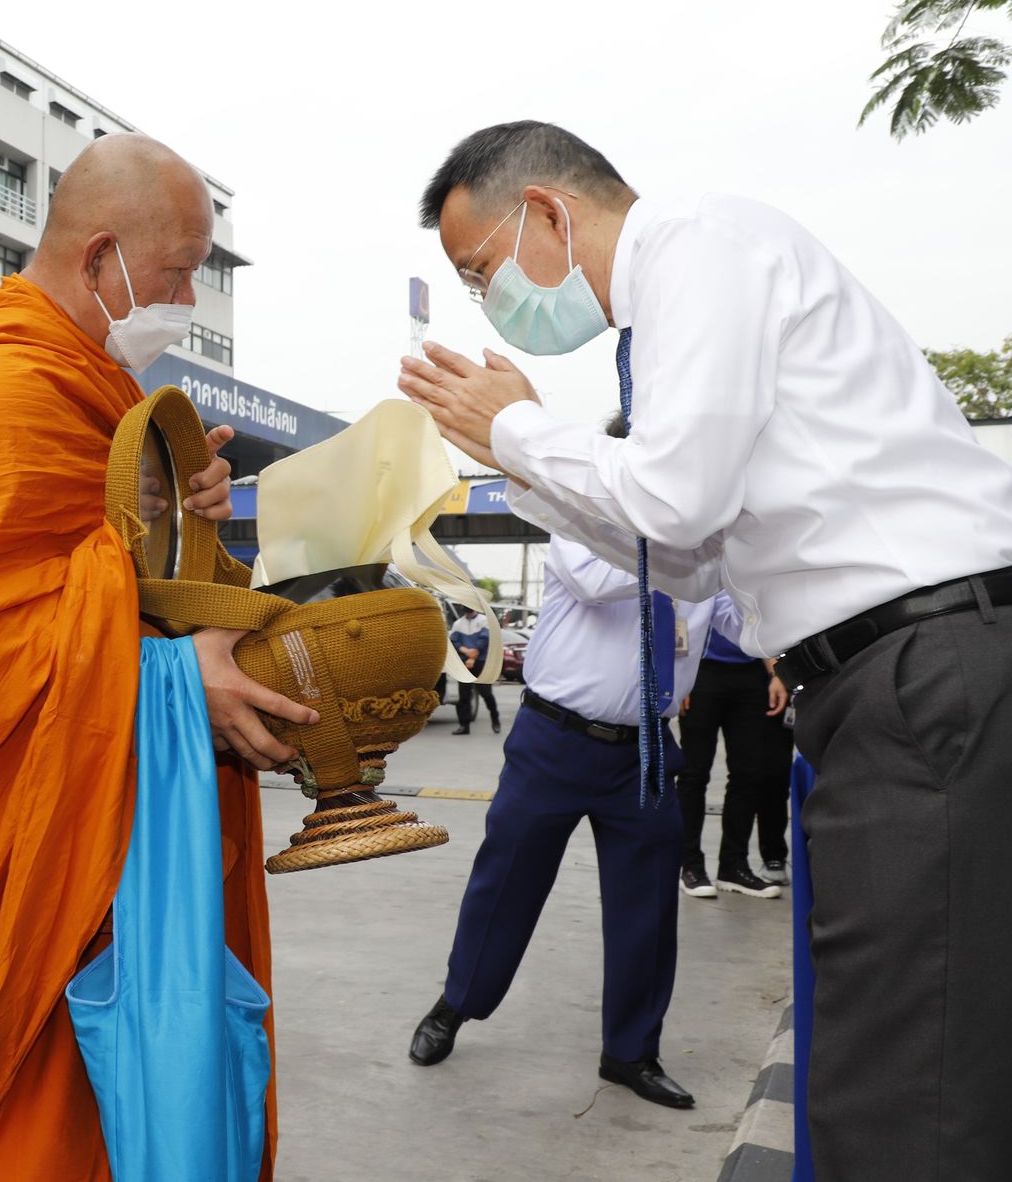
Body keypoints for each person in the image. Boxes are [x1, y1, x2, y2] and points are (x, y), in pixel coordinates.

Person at [397, 120, 1012, 1178]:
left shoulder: (694, 245)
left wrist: (517, 433)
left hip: (918, 680)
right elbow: (682, 560)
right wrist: (533, 461)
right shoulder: (669, 307)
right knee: (917, 1058)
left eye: (478, 271)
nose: (486, 304)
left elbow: (673, 497)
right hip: (892, 682)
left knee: (903, 1092)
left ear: (545, 211)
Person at [0, 134, 309, 1181]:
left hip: (99, 842)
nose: (186, 297)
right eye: (176, 270)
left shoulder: (92, 391)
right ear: (100, 258)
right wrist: (168, 677)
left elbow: (116, 580)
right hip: (14, 860)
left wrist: (181, 518)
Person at [409, 526, 729, 1107]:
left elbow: (748, 622)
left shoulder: (706, 551)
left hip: (646, 749)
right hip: (555, 739)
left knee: (648, 906)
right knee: (507, 884)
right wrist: (703, 545)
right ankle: (457, 1003)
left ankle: (631, 1052)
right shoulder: (586, 528)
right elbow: (598, 581)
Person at [675, 604, 792, 900]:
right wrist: (680, 674)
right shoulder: (700, 560)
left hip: (751, 675)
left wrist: (777, 673)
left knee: (748, 773)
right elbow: (680, 612)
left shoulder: (753, 562)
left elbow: (761, 615)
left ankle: (733, 866)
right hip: (702, 673)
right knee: (694, 773)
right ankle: (689, 865)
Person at [449, 607, 501, 734]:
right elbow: (454, 641)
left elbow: (484, 640)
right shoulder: (458, 623)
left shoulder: (484, 620)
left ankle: (495, 718)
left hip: (480, 661)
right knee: (464, 695)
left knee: (486, 693)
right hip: (464, 662)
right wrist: (466, 652)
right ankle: (464, 725)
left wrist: (473, 656)